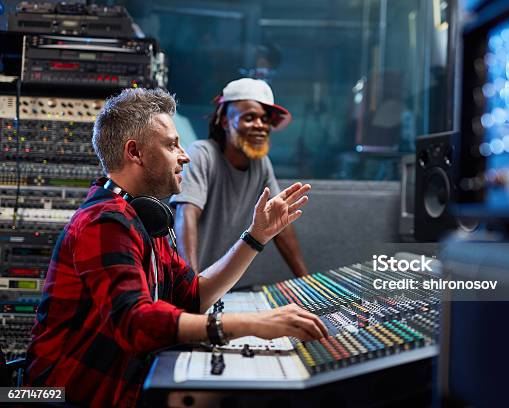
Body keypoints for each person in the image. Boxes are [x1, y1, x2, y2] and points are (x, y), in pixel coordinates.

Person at [25, 88, 326, 407]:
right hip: (67, 396)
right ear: (135, 152)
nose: (184, 155)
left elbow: (193, 295)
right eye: (171, 145)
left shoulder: (145, 218)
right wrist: (252, 324)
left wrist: (255, 236)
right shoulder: (104, 221)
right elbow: (135, 322)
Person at [171, 78, 308, 278]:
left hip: (217, 285)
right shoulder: (202, 153)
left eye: (265, 119)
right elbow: (187, 215)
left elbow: (281, 224)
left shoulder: (261, 163)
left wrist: (305, 280)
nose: (260, 125)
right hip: (187, 280)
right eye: (250, 117)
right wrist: (190, 286)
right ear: (226, 122)